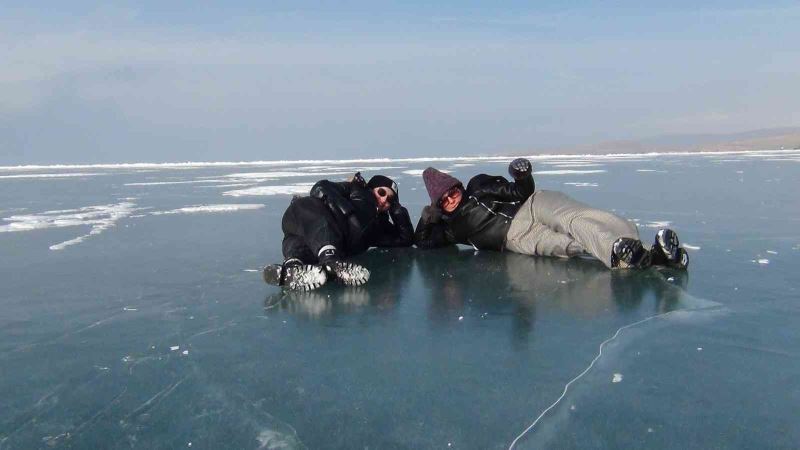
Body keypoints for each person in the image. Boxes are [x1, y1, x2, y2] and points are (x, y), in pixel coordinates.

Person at [414, 159, 689, 270]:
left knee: (577, 219)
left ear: (457, 186)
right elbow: (422, 242)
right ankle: (642, 256)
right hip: (516, 237)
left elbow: (519, 192)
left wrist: (522, 177)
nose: (450, 198)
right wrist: (428, 216)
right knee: (568, 245)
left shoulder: (478, 185)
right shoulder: (452, 229)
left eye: (452, 191)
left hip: (533, 205)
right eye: (443, 199)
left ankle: (627, 247)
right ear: (438, 204)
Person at [264, 172, 414, 290]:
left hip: (312, 239)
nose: (384, 201)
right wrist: (344, 208)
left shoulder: (380, 227)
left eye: (390, 200)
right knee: (318, 220)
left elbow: (405, 238)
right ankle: (331, 262)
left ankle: (293, 270)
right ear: (371, 188)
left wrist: (397, 210)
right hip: (304, 215)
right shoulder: (355, 190)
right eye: (382, 192)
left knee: (296, 242)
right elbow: (320, 187)